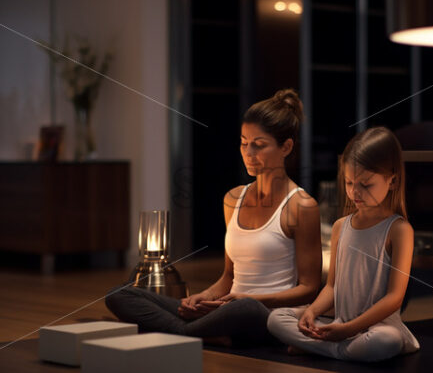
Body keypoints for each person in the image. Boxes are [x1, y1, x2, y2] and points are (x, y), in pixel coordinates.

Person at [105, 89, 322, 345]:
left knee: (246, 309)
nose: (248, 153)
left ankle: (188, 332)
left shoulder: (302, 205)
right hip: (226, 310)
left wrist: (251, 300)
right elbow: (229, 276)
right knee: (119, 295)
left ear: (285, 147)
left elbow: (309, 288)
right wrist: (203, 297)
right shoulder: (233, 199)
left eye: (259, 145)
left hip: (264, 314)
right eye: (243, 143)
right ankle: (203, 332)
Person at [267, 126, 420, 362]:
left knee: (387, 341)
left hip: (376, 328)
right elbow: (331, 288)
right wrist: (312, 311)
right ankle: (338, 349)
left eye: (366, 185)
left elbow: (394, 297)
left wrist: (350, 329)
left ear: (392, 181)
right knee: (276, 319)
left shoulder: (399, 230)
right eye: (349, 183)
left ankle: (322, 349)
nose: (355, 192)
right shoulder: (341, 226)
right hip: (339, 322)